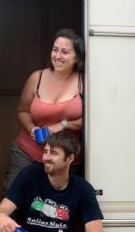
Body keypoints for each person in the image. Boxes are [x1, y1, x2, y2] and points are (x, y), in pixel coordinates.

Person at [5, 28, 84, 189]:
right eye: (55, 50)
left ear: (77, 58)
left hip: (66, 158)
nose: (57, 56)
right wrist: (31, 128)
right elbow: (23, 111)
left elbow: (92, 121)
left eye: (65, 52)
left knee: (55, 207)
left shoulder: (85, 83)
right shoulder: (37, 78)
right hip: (26, 152)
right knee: (15, 199)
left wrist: (60, 126)